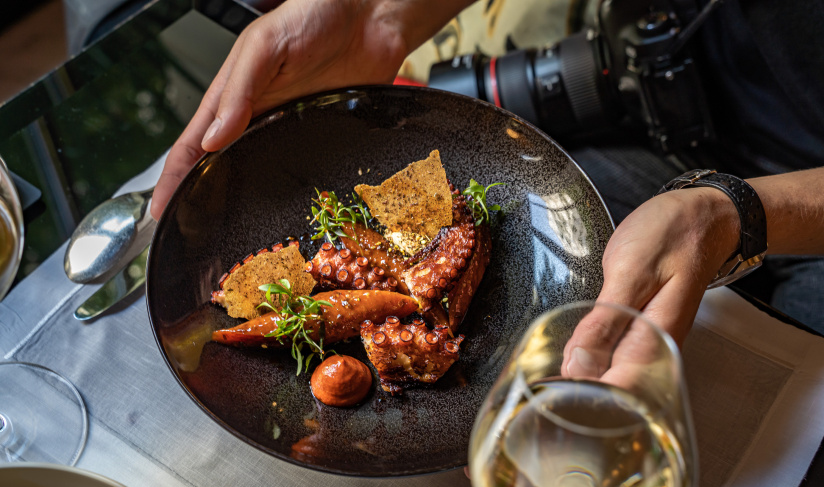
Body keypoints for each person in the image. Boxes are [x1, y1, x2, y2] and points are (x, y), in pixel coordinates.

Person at [150, 0, 824, 346]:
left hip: (797, 195)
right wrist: (381, 16)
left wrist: (736, 209)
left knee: (780, 486)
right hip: (651, 101)